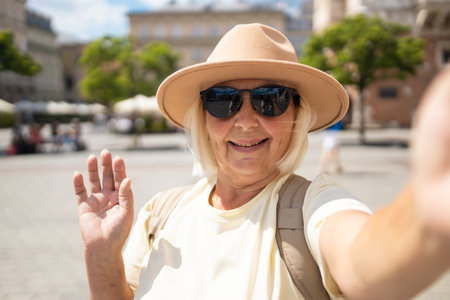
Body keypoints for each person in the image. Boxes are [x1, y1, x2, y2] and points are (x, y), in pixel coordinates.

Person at [73, 23, 450, 300]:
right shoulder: (161, 213)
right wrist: (103, 256)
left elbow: (364, 259)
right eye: (223, 100)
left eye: (271, 99)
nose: (247, 120)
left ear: (297, 115)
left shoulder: (313, 204)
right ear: (203, 118)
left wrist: (427, 212)